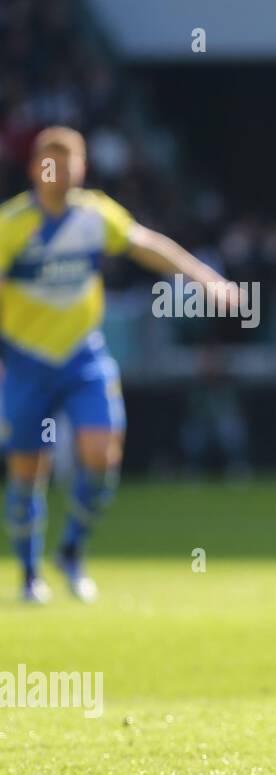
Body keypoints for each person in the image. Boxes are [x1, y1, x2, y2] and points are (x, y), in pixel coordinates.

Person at [0, 126, 238, 602]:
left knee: (103, 455)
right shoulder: (11, 226)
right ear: (34, 169)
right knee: (29, 471)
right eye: (50, 162)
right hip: (24, 361)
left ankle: (71, 551)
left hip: (82, 356)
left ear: (82, 168)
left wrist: (206, 279)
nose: (60, 171)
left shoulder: (95, 216)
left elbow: (149, 245)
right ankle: (29, 574)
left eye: (69, 162)